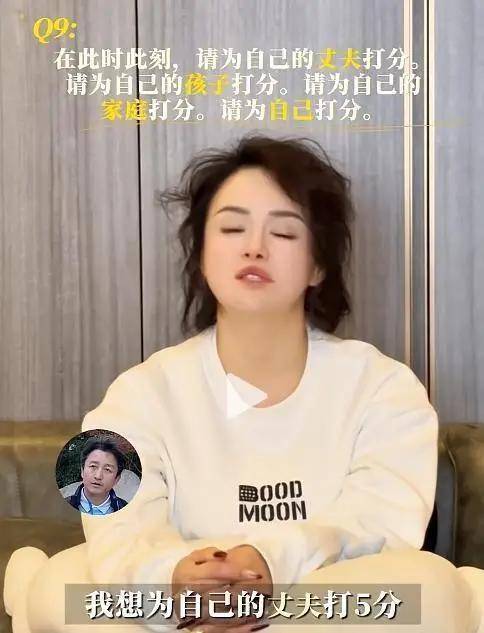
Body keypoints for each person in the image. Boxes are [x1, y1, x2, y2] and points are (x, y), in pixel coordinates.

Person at [4, 133, 482, 633]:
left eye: (284, 233)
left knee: (428, 588)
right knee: (61, 587)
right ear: (202, 253)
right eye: (233, 228)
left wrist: (270, 565)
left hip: (312, 602)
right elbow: (120, 532)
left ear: (318, 264)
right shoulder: (137, 395)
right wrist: (173, 579)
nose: (254, 247)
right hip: (180, 607)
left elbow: (380, 526)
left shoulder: (383, 387)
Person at [64, 436, 128, 515]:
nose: (98, 476)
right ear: (82, 471)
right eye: (93, 466)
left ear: (117, 479)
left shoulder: (127, 511)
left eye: (107, 469)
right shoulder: (61, 507)